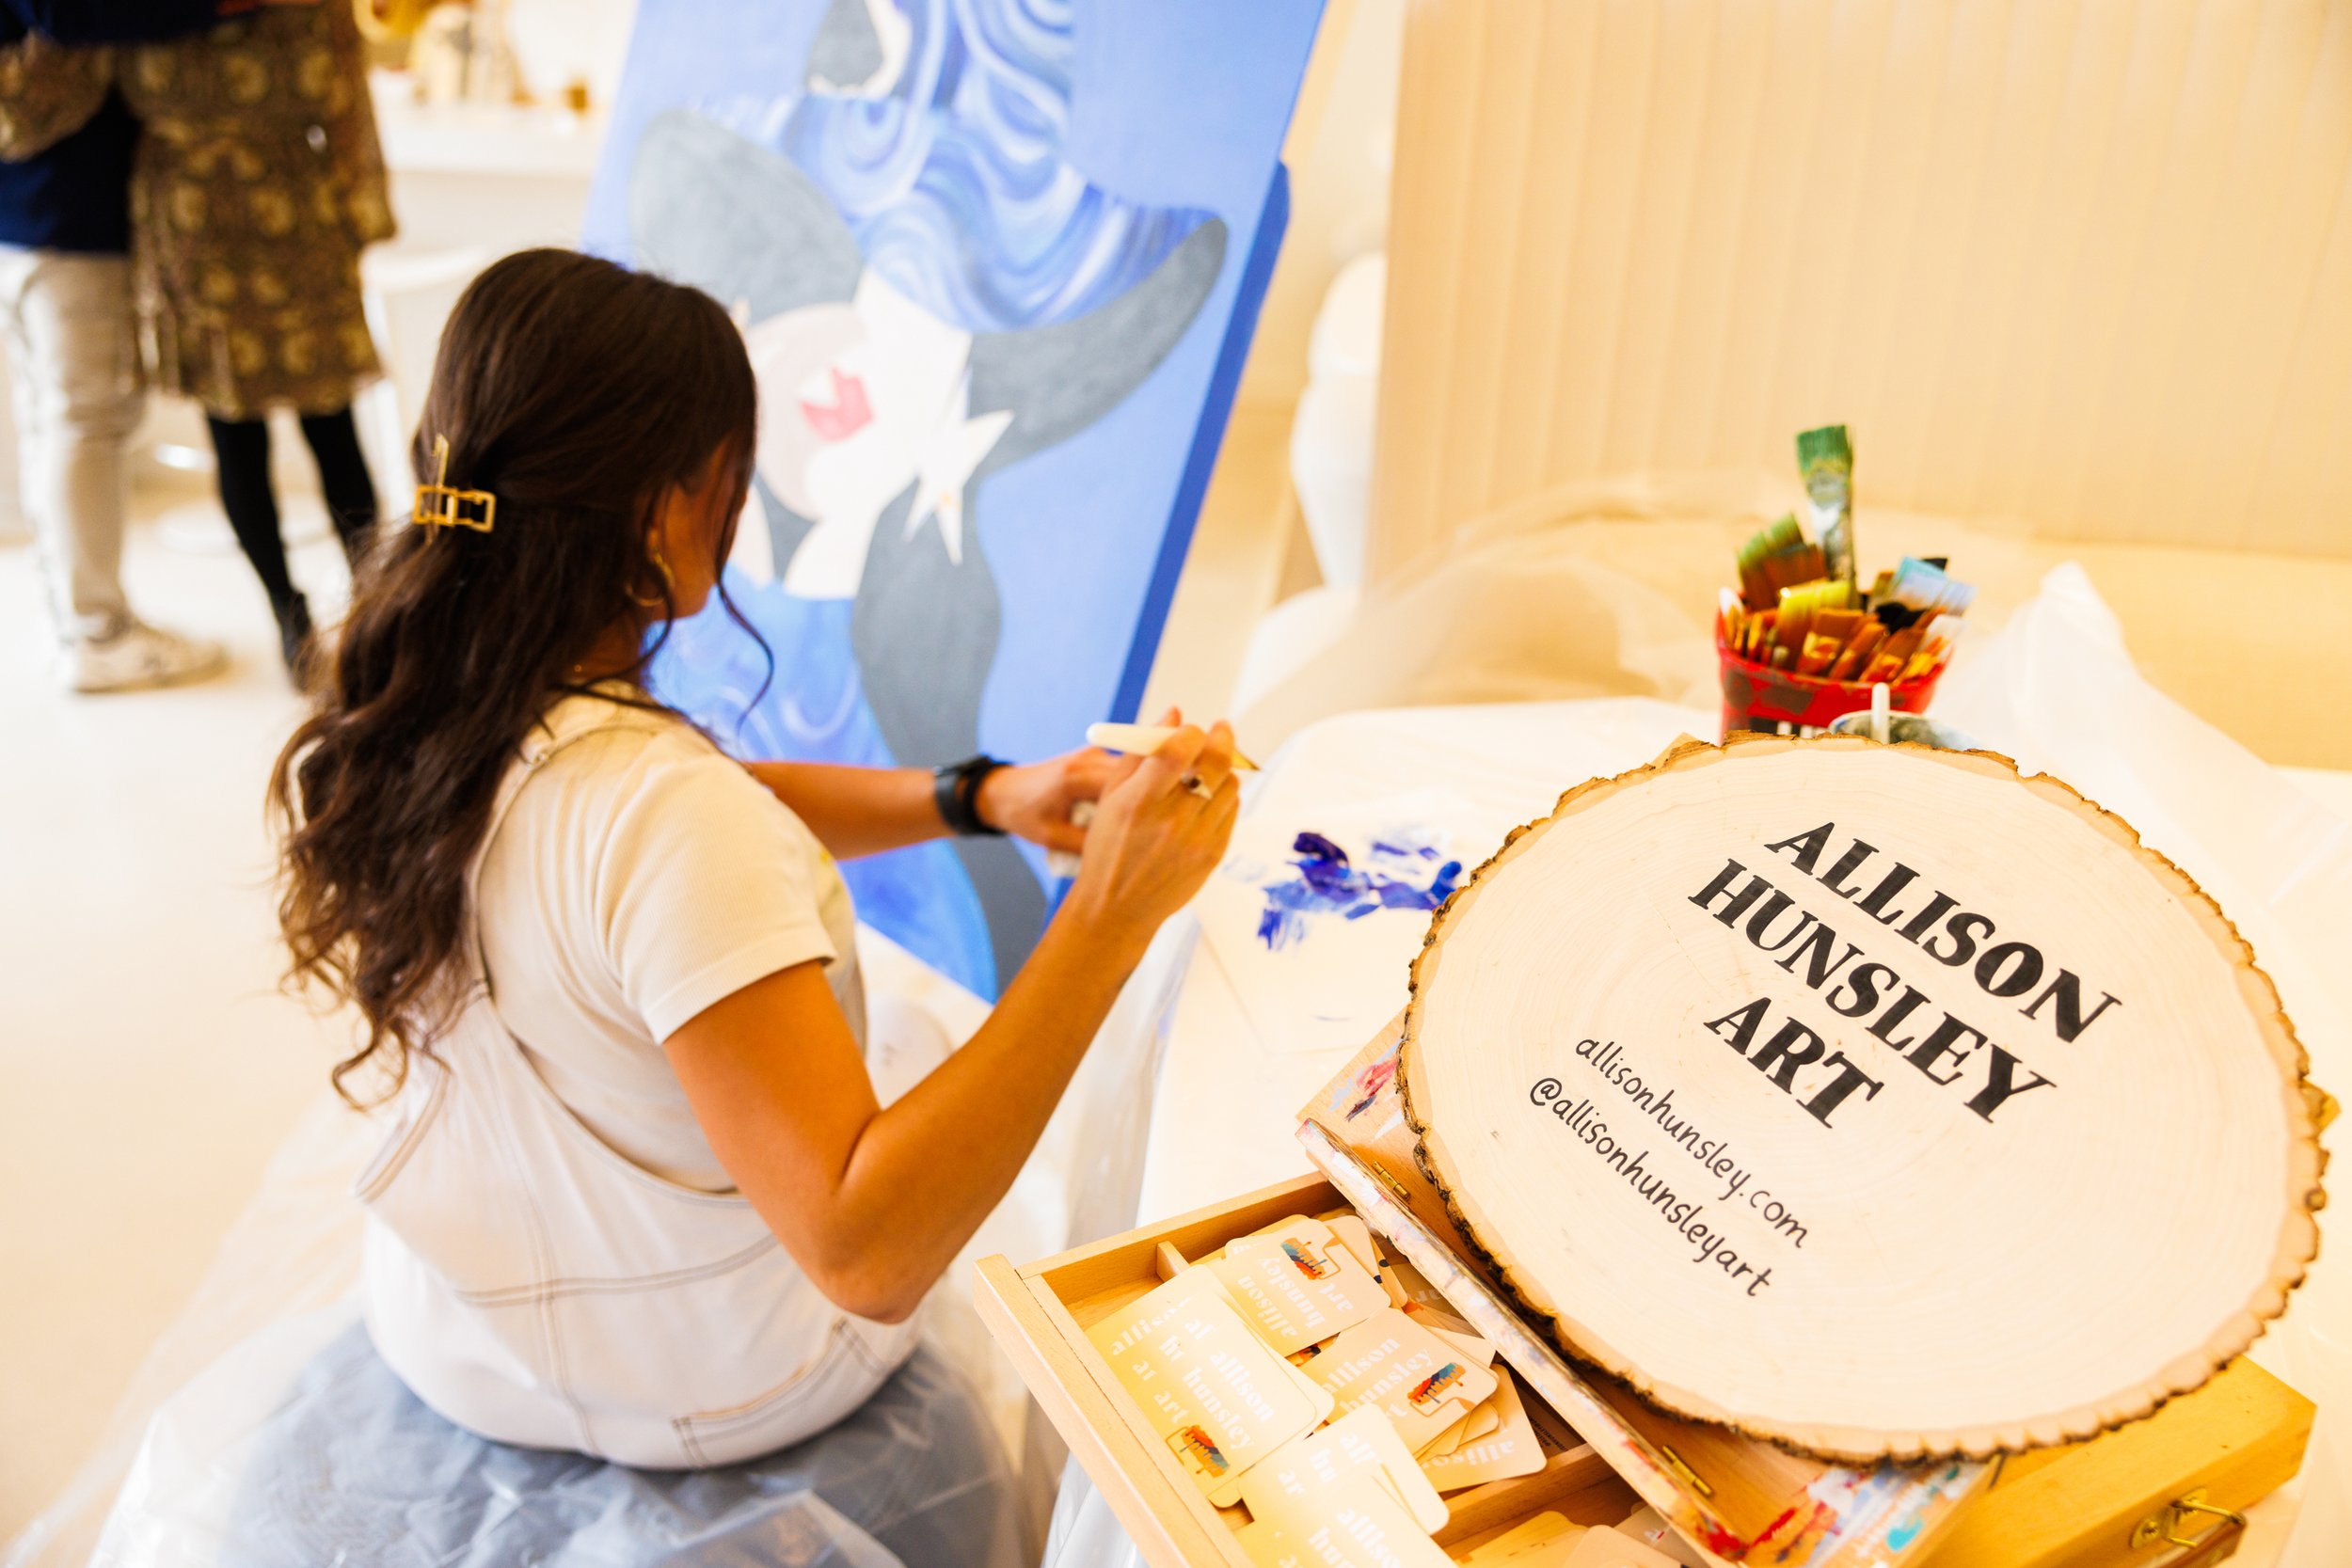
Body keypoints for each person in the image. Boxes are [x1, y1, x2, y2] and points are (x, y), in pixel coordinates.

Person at [268, 250, 1237, 1521]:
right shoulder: (666, 815)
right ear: (668, 511)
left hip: (456, 1330)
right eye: (732, 476)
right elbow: (867, 1251)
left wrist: (975, 794)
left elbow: (681, 820)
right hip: (705, 1382)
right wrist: (1112, 912)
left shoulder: (419, 704)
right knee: (916, 1039)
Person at [117, 0, 393, 680]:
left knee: (317, 427)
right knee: (260, 433)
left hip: (276, 209)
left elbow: (347, 101)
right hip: (213, 218)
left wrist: (363, 211)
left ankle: (368, 605)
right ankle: (298, 610)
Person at [0, 1, 230, 692]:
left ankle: (76, 618)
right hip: (64, 205)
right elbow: (68, 11)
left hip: (33, 203)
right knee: (87, 419)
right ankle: (97, 630)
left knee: (57, 415)